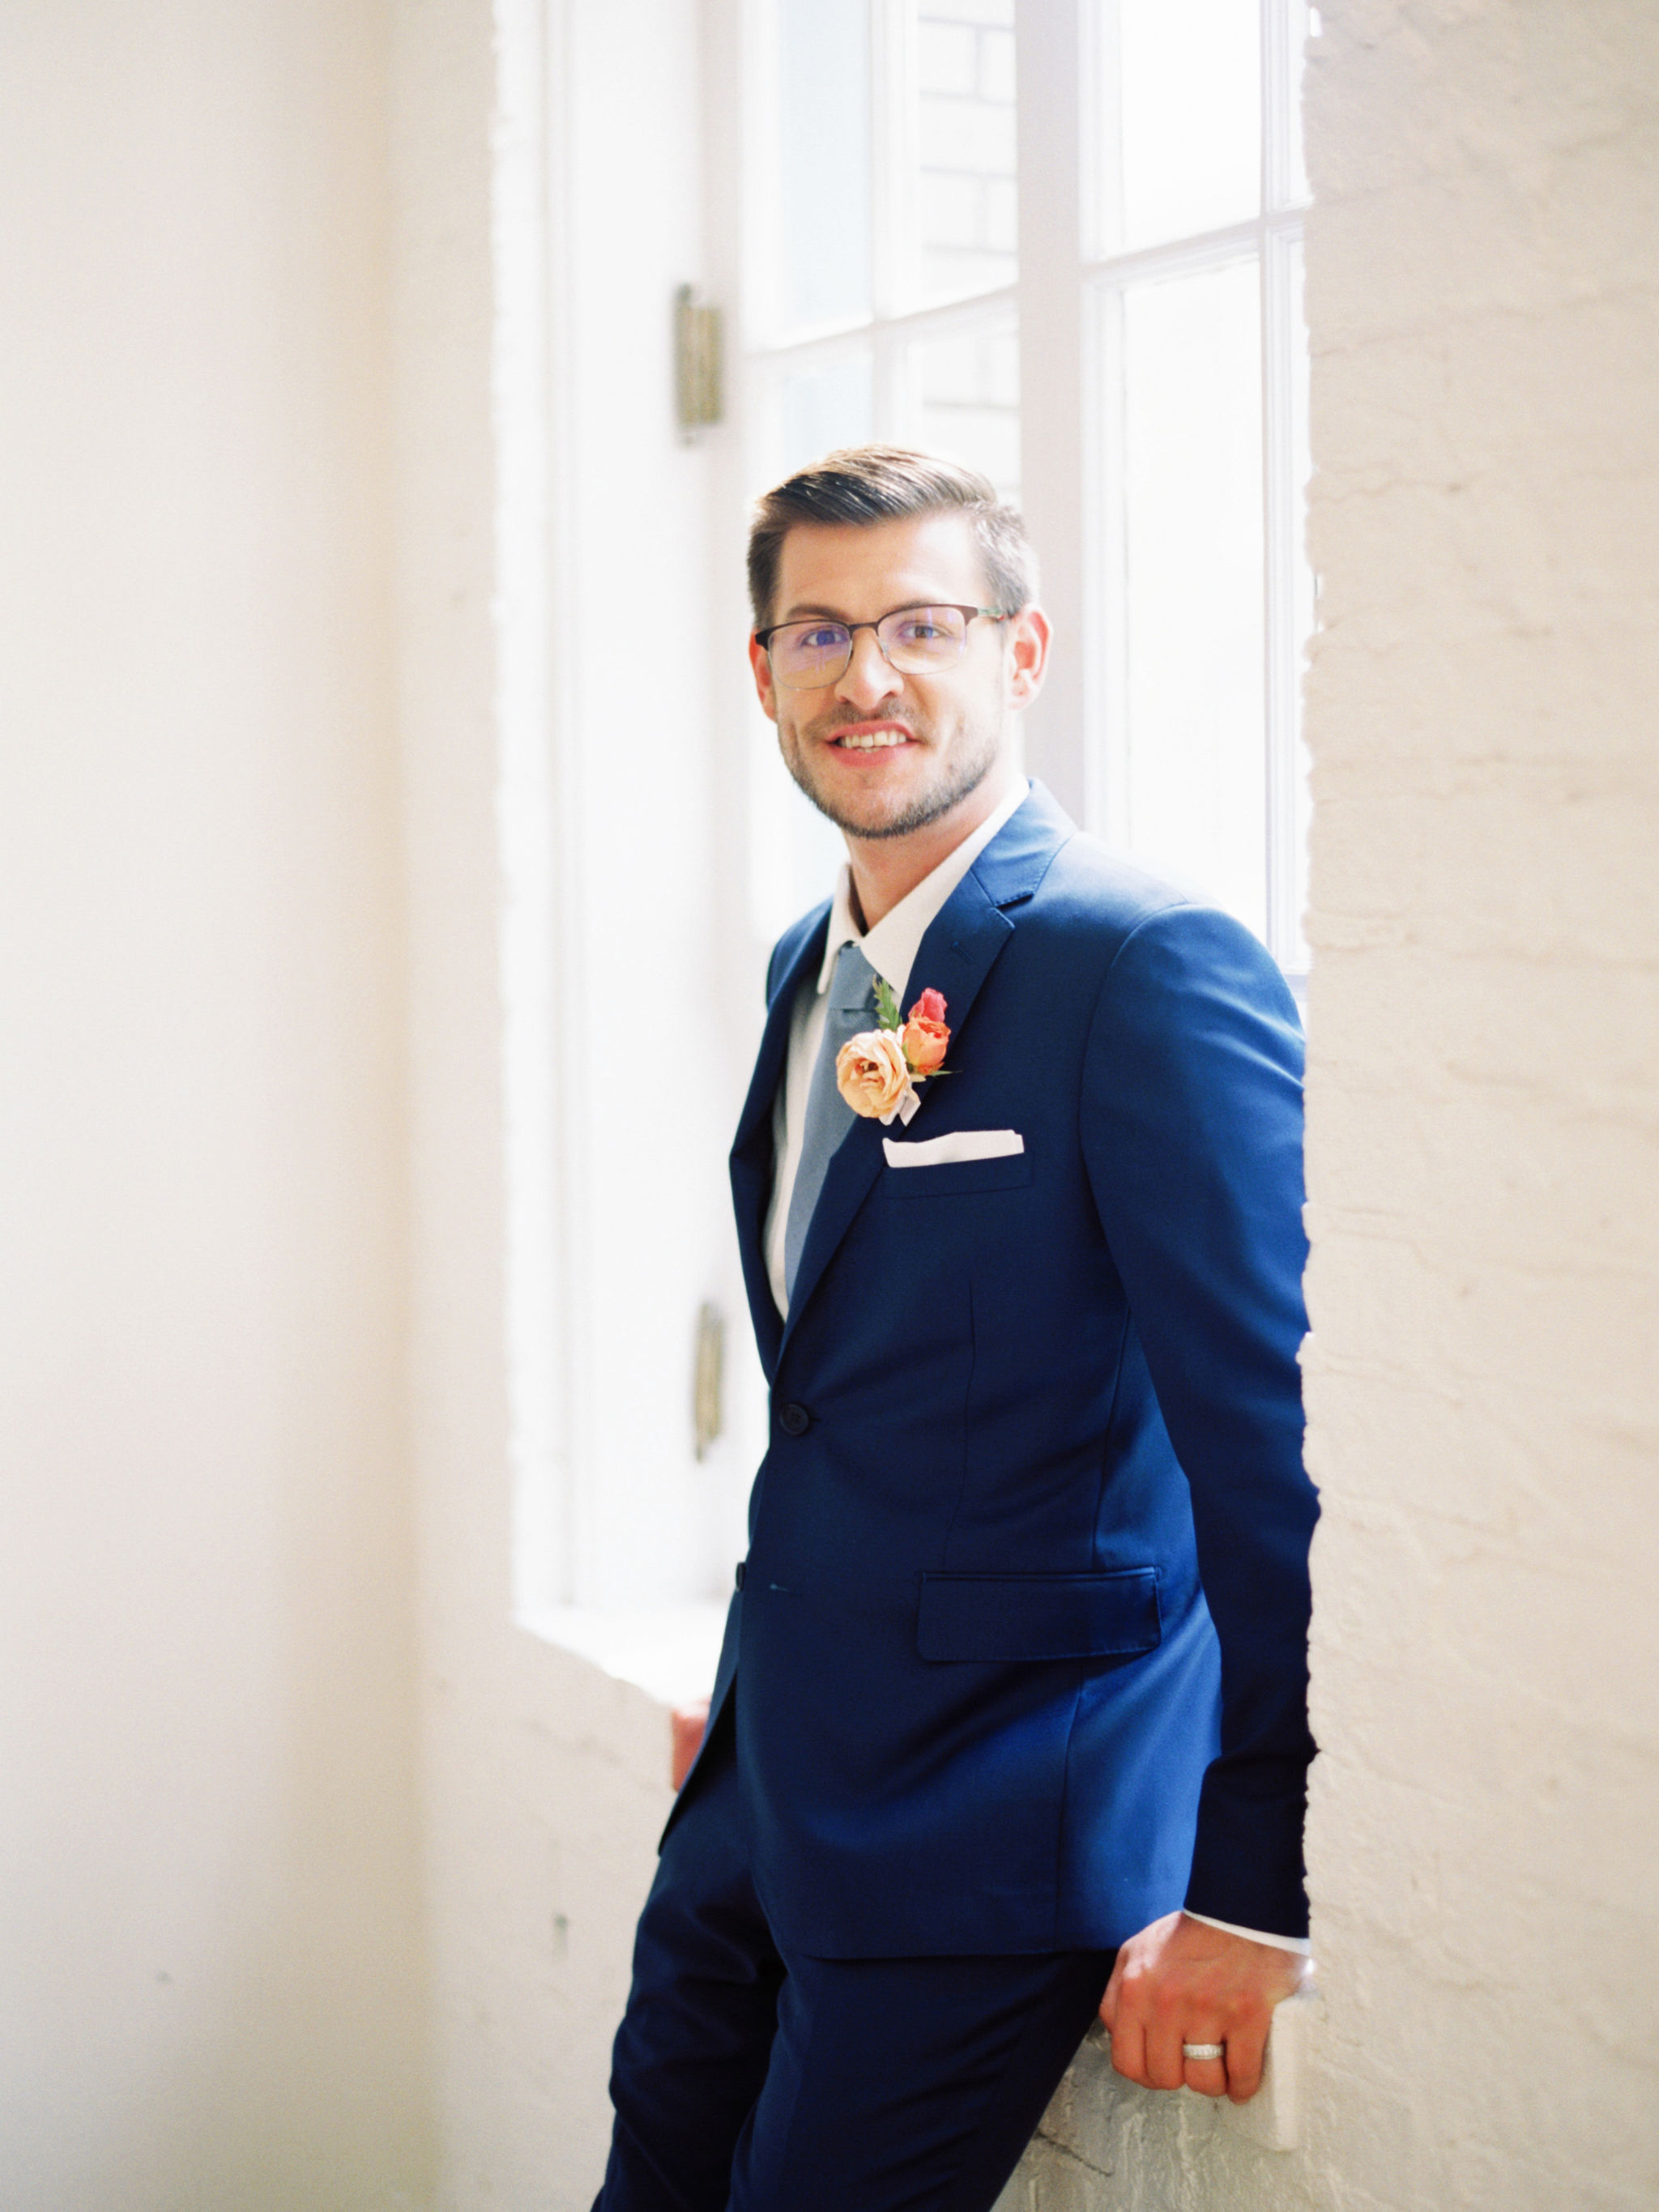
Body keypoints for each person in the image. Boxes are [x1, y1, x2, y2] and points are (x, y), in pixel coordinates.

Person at [593, 447, 1316, 2212]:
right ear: (760, 673)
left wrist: (1253, 1884)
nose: (869, 677)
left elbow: (1277, 1458)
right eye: (819, 632)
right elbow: (847, 1401)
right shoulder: (801, 971)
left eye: (924, 622)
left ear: (1024, 650)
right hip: (762, 1799)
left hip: (993, 1838)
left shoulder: (1144, 966)